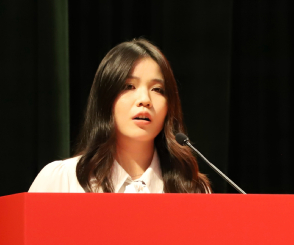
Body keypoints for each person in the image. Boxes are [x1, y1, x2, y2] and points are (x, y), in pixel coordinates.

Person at [29, 38, 210, 193]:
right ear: (106, 98)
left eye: (157, 89)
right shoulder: (63, 181)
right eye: (129, 86)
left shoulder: (191, 189)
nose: (145, 100)